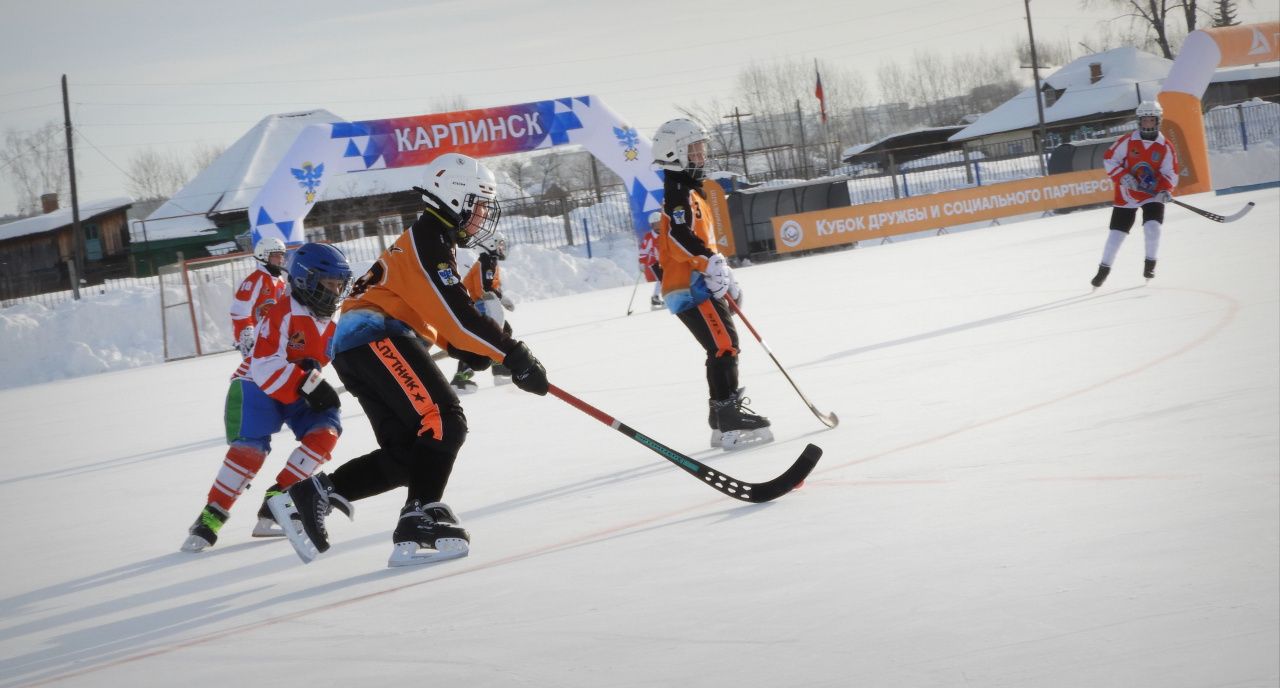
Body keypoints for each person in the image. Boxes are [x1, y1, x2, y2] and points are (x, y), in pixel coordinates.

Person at [269, 152, 549, 567]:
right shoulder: (429, 241)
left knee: (408, 454)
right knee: (444, 419)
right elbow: (458, 313)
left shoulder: (433, 242)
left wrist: (471, 350)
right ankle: (419, 515)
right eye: (479, 204)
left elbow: (436, 315)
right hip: (375, 336)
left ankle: (313, 495)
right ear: (454, 199)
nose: (483, 216)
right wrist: (514, 354)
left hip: (363, 344)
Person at [181, 242, 354, 552]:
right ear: (306, 280)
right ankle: (210, 518)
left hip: (295, 386)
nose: (336, 292)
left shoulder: (330, 325)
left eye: (340, 285)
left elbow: (327, 360)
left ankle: (277, 502)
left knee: (326, 431)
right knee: (250, 452)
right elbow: (266, 366)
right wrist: (311, 385)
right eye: (330, 284)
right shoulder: (283, 311)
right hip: (254, 385)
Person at [652, 117, 772, 451]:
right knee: (724, 344)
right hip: (690, 286)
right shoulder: (676, 192)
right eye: (694, 150)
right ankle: (728, 416)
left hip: (700, 282)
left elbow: (700, 241)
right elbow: (678, 237)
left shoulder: (691, 191)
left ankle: (721, 418)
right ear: (675, 154)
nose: (701, 156)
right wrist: (709, 262)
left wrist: (723, 271)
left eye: (701, 149)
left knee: (722, 345)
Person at [1091, 100, 1180, 288]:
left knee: (1153, 228)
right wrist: (1124, 177)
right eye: (1144, 120)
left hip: (1152, 194)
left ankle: (1150, 266)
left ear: (1158, 121)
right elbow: (1109, 159)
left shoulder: (1165, 146)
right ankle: (1103, 271)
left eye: (1151, 120)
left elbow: (1171, 173)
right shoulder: (1127, 141)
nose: (1148, 123)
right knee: (1116, 234)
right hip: (1127, 194)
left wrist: (1165, 190)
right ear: (1139, 121)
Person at [451, 231, 516, 392]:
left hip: (482, 303)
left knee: (502, 332)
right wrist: (501, 298)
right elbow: (483, 288)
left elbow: (489, 287)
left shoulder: (490, 260)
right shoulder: (486, 261)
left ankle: (499, 368)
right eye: (499, 244)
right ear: (491, 244)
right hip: (477, 305)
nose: (502, 248)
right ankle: (461, 378)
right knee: (484, 338)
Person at [230, 237, 287, 356]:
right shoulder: (256, 279)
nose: (280, 259)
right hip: (254, 340)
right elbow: (239, 310)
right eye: (276, 255)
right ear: (263, 256)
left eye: (281, 255)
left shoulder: (280, 281)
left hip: (272, 338)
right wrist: (247, 333)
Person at [638, 211, 665, 309]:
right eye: (656, 224)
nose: (658, 226)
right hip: (655, 262)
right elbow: (644, 250)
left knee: (663, 279)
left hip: (666, 261)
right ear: (652, 225)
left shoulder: (666, 233)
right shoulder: (649, 237)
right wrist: (642, 262)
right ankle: (661, 299)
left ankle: (655, 298)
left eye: (660, 223)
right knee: (663, 279)